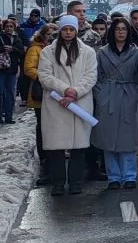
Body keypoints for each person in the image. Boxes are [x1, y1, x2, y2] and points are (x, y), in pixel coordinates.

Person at [37, 16, 98, 196]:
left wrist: (76, 92)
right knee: (56, 147)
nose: (69, 33)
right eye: (65, 29)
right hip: (56, 102)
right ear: (60, 30)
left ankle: (75, 181)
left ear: (76, 31)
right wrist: (65, 89)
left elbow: (91, 76)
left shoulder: (88, 52)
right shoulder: (48, 52)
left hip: (80, 101)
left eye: (72, 29)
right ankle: (58, 182)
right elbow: (44, 76)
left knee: (79, 146)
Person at [91, 16, 138, 189]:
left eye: (124, 29)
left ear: (128, 32)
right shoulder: (102, 52)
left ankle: (129, 175)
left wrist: (136, 93)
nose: (120, 32)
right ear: (112, 31)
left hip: (129, 95)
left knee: (128, 137)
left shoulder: (136, 52)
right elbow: (95, 76)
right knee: (108, 136)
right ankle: (113, 176)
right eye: (117, 29)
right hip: (108, 96)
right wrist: (101, 94)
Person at [25, 25, 53, 180]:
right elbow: (29, 68)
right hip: (40, 94)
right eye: (48, 34)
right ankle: (44, 158)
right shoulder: (35, 49)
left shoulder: (55, 48)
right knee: (42, 126)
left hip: (55, 94)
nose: (50, 37)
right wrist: (45, 79)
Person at [0, 17, 26, 123]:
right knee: (0, 93)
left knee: (10, 93)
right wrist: (3, 49)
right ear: (3, 27)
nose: (9, 28)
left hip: (12, 69)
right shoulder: (0, 37)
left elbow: (21, 52)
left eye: (11, 26)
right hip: (1, 69)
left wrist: (13, 49)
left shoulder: (17, 39)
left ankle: (9, 117)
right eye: (7, 26)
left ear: (14, 28)